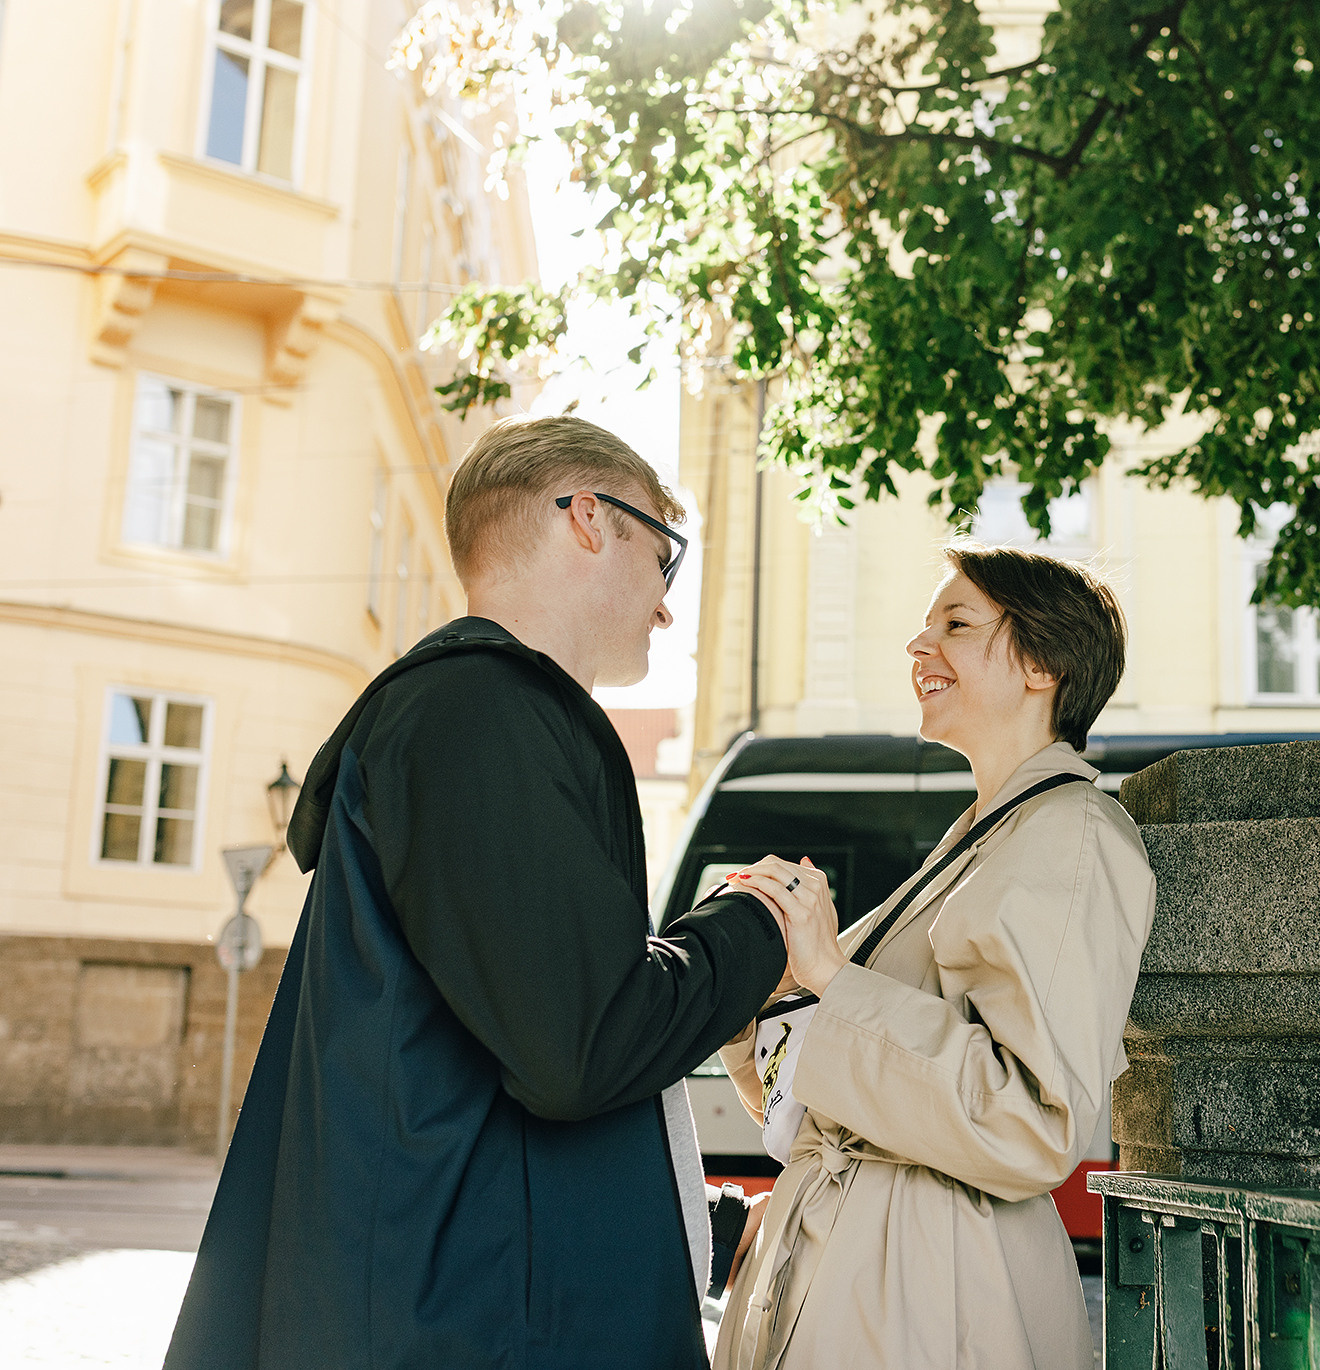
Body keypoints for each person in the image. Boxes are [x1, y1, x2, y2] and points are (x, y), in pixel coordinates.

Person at [165, 416, 789, 1370]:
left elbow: (482, 1054)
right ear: (588, 517)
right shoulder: (478, 713)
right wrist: (757, 925)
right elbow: (583, 1047)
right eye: (665, 557)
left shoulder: (476, 715)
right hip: (470, 1326)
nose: (667, 607)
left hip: (464, 1299)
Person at [712, 543, 1157, 1370]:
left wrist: (829, 977)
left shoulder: (1073, 837)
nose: (919, 648)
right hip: (863, 1276)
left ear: (1042, 664)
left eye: (955, 624)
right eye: (924, 628)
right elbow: (812, 1095)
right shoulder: (980, 838)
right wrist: (761, 984)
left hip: (931, 1299)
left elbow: (1032, 1122)